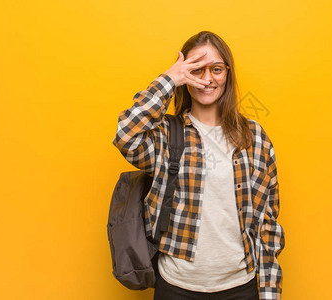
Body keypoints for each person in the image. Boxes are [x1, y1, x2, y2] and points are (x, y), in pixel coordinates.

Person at [112, 30, 285, 300]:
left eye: (216, 69)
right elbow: (126, 135)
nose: (207, 79)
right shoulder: (167, 135)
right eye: (196, 69)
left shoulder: (254, 137)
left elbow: (268, 223)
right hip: (176, 286)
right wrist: (170, 79)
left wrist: (271, 293)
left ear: (227, 73)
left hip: (242, 287)